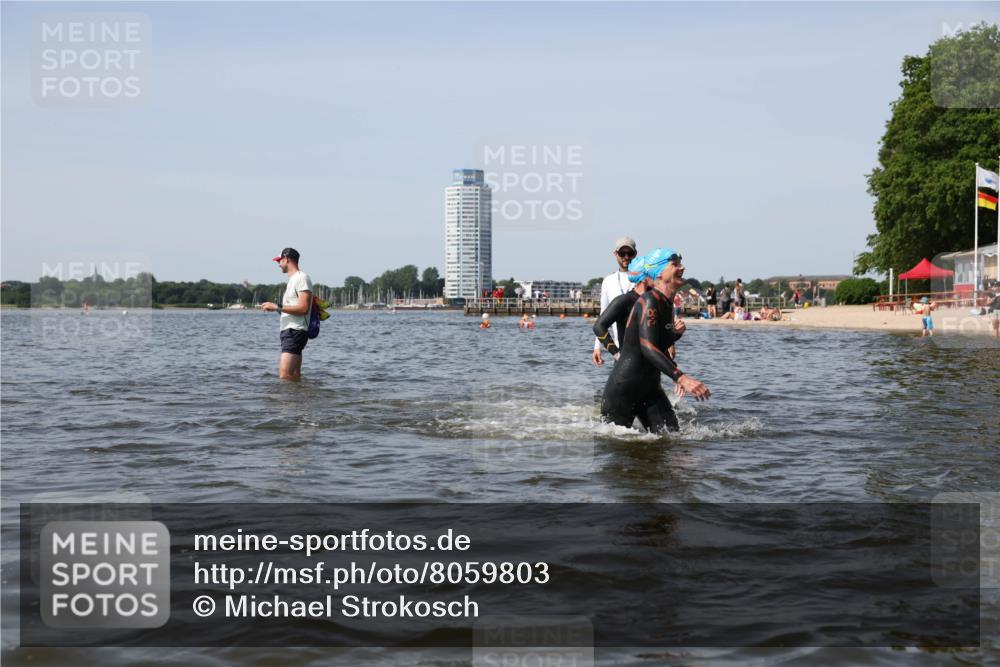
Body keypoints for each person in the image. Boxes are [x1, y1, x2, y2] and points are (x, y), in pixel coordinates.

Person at [600, 248, 709, 433]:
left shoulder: (666, 303)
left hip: (650, 388)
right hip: (625, 389)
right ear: (659, 272)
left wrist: (676, 337)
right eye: (674, 264)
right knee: (618, 452)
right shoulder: (649, 301)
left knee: (673, 440)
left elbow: (657, 345)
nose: (682, 268)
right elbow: (647, 347)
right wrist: (681, 377)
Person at [259, 247, 312, 380]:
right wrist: (276, 309)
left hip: (295, 331)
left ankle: (287, 401)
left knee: (284, 375)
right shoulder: (293, 280)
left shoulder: (302, 277)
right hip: (291, 331)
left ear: (286, 259)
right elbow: (292, 309)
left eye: (280, 261)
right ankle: (297, 400)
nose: (278, 264)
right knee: (294, 375)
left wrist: (277, 306)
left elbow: (303, 308)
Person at [592, 237, 639, 366]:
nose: (626, 257)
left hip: (641, 349)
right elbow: (603, 317)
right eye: (621, 253)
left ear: (635, 254)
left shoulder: (643, 280)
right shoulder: (608, 281)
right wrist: (598, 347)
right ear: (615, 254)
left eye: (629, 253)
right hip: (618, 351)